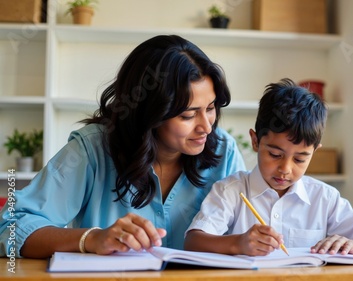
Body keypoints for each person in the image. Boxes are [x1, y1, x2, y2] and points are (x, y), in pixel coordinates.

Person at [0, 35, 246, 258]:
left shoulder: (224, 152)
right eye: (188, 115)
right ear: (150, 114)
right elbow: (11, 227)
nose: (206, 127)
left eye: (211, 108)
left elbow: (246, 237)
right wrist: (92, 238)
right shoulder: (92, 150)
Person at [184, 78, 353, 256]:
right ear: (255, 141)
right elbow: (193, 241)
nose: (285, 168)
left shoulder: (324, 198)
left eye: (300, 159)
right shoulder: (232, 190)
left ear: (315, 152)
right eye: (275, 154)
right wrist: (237, 243)